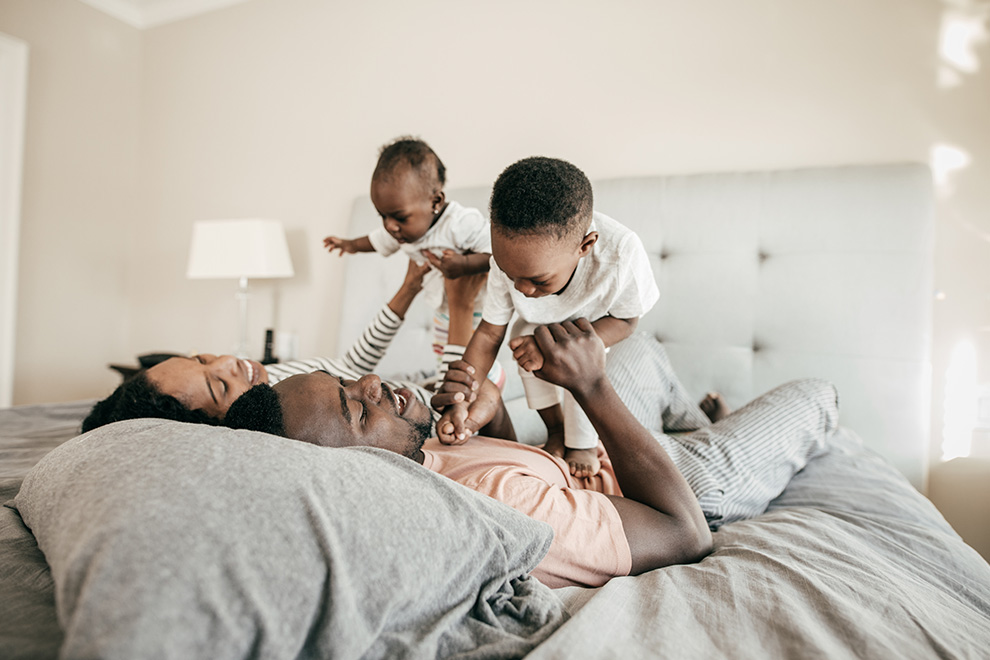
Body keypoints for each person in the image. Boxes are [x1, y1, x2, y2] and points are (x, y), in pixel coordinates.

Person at [223, 321, 838, 589]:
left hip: (590, 455)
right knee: (819, 395)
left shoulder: (414, 445)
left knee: (640, 348)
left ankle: (701, 424)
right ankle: (705, 443)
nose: (374, 387)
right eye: (358, 410)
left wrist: (500, 412)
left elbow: (526, 463)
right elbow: (685, 537)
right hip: (677, 494)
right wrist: (590, 388)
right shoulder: (499, 511)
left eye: (348, 380)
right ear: (354, 472)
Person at [436, 156, 659, 479]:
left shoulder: (621, 253)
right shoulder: (511, 256)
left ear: (585, 245)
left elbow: (626, 321)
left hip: (591, 328)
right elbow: (488, 333)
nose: (522, 289)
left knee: (574, 368)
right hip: (533, 326)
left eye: (538, 280)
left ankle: (582, 441)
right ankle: (554, 429)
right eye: (511, 274)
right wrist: (463, 391)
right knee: (524, 346)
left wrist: (561, 348)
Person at [81, 260, 447, 432]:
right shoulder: (303, 414)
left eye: (203, 358)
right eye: (221, 385)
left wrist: (410, 287)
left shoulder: (287, 380)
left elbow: (353, 362)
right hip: (433, 398)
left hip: (418, 382)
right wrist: (460, 310)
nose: (229, 361)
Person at [322, 137, 500, 385]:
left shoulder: (461, 223)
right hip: (441, 309)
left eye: (399, 217)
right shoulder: (403, 230)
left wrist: (464, 265)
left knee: (476, 357)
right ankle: (442, 383)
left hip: (478, 308)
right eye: (382, 216)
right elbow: (376, 241)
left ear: (435, 202)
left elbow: (498, 255)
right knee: (441, 353)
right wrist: (350, 244)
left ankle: (490, 381)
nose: (390, 226)